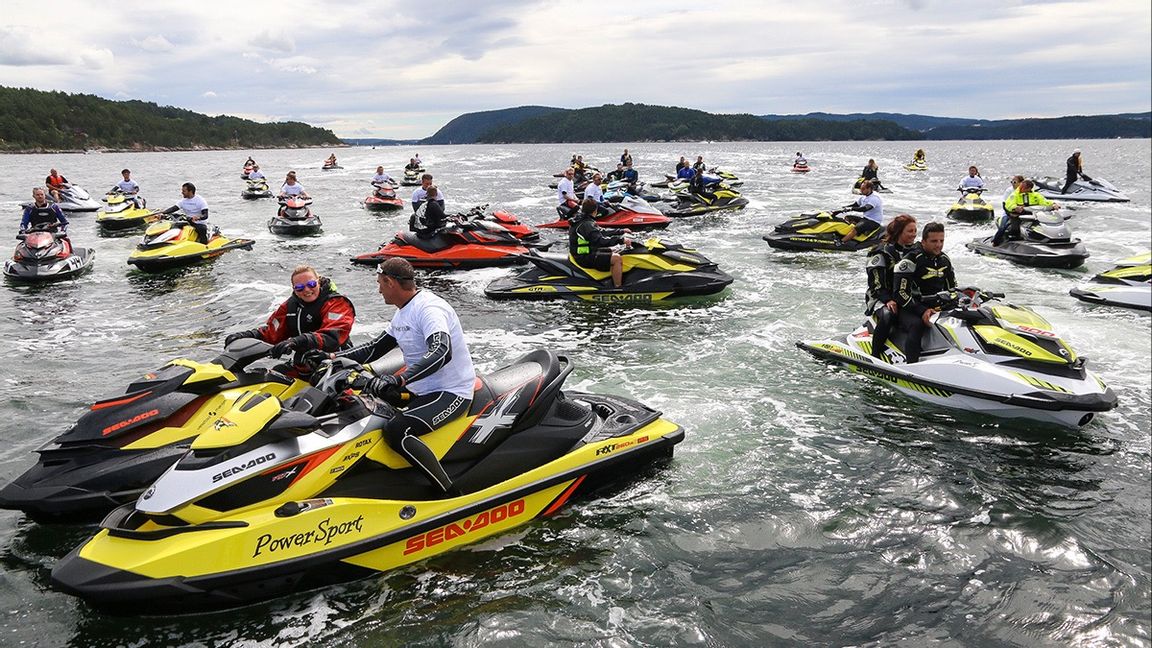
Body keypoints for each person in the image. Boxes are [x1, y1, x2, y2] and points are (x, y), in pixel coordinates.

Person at [337, 258, 475, 492]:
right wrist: (331, 358)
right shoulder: (403, 312)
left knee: (396, 430)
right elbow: (374, 348)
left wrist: (400, 379)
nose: (378, 289)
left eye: (380, 283)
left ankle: (449, 491)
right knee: (362, 403)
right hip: (420, 390)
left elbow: (441, 352)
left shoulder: (429, 309)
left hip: (452, 392)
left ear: (390, 282)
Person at [225, 266, 356, 378]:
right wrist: (244, 337)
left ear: (319, 282)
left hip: (338, 364)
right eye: (299, 287)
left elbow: (332, 336)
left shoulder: (337, 303)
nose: (306, 290)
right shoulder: (290, 306)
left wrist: (297, 341)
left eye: (311, 284)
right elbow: (271, 333)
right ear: (294, 289)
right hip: (304, 366)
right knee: (269, 378)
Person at [893, 222, 957, 364]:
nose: (938, 245)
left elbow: (952, 288)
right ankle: (912, 367)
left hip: (936, 306)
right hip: (910, 307)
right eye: (934, 241)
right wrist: (922, 311)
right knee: (917, 325)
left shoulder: (944, 260)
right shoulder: (911, 260)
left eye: (941, 241)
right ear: (923, 242)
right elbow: (900, 293)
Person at [865, 214, 918, 361]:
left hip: (903, 295)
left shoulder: (915, 251)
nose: (914, 235)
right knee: (889, 315)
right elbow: (875, 283)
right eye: (910, 231)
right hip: (880, 297)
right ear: (899, 232)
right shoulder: (881, 252)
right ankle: (875, 355)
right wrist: (887, 300)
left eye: (915, 231)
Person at [570, 198, 631, 288]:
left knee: (616, 249)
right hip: (583, 257)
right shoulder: (586, 224)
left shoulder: (583, 220)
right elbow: (600, 241)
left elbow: (602, 231)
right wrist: (621, 240)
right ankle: (618, 287)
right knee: (617, 258)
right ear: (595, 210)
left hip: (586, 251)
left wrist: (621, 231)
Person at [993, 179, 1060, 246]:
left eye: (1024, 188)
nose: (1022, 189)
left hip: (1032, 215)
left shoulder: (1036, 195)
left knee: (1040, 227)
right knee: (1010, 228)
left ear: (1029, 188)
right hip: (1016, 215)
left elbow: (1045, 201)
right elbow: (1009, 204)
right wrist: (1015, 207)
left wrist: (1053, 204)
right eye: (1021, 187)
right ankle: (995, 242)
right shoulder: (1014, 195)